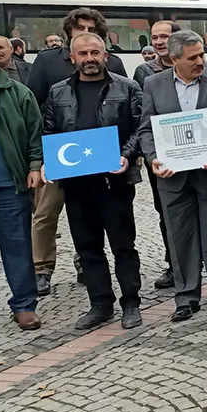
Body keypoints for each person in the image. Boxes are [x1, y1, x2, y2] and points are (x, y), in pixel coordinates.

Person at [138, 29, 207, 321]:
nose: (200, 61)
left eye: (202, 54)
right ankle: (186, 296)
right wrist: (153, 158)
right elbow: (146, 129)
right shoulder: (152, 84)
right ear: (173, 59)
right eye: (193, 57)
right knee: (179, 236)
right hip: (172, 176)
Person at [41, 32, 144, 331]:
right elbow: (48, 131)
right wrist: (49, 160)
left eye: (95, 53)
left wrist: (127, 154)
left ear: (105, 55)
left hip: (114, 181)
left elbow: (140, 127)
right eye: (83, 54)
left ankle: (130, 302)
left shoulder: (127, 88)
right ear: (72, 58)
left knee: (123, 245)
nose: (89, 59)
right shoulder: (58, 92)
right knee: (88, 247)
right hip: (76, 184)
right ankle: (100, 303)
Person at [26, 8, 127, 296]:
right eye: (79, 27)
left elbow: (123, 106)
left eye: (91, 28)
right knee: (46, 213)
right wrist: (40, 156)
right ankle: (42, 269)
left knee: (90, 216)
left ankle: (85, 263)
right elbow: (35, 107)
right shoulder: (47, 60)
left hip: (100, 155)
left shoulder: (115, 62)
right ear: (69, 31)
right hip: (60, 153)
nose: (85, 32)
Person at [135, 21, 191, 291]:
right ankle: (175, 264)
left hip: (199, 157)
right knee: (167, 214)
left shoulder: (205, 69)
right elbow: (143, 120)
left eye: (164, 37)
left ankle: (200, 261)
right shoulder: (145, 74)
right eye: (154, 37)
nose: (158, 42)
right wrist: (150, 156)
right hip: (164, 160)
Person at [0, 50, 43, 330]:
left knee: (18, 247)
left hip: (9, 185)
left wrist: (35, 165)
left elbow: (35, 132)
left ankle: (24, 305)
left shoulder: (17, 92)